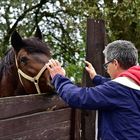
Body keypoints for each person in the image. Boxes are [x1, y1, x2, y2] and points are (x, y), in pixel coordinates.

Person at [46, 40, 140, 140]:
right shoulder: (135, 82)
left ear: (115, 63)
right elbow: (117, 88)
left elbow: (77, 97)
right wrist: (96, 78)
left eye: (106, 65)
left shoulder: (118, 90)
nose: (107, 70)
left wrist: (59, 77)